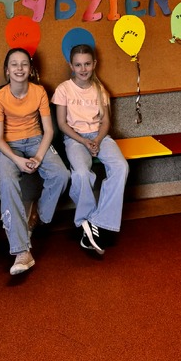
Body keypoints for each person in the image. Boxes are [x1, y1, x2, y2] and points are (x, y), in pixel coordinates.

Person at [0, 48, 70, 275]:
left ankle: (37, 216)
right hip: (9, 146)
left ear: (31, 69)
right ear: (7, 70)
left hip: (37, 140)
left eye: (24, 64)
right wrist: (17, 160)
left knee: (62, 175)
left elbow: (48, 131)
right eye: (14, 64)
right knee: (7, 180)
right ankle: (21, 251)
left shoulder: (39, 92)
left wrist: (37, 157)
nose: (19, 68)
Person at [52, 44, 129, 255]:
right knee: (81, 173)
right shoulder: (63, 89)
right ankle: (86, 218)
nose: (83, 69)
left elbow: (106, 122)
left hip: (99, 136)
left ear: (94, 64)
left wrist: (97, 139)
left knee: (121, 167)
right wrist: (84, 142)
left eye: (87, 64)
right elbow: (62, 124)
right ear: (71, 66)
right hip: (74, 139)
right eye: (78, 65)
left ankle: (97, 222)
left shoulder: (100, 89)